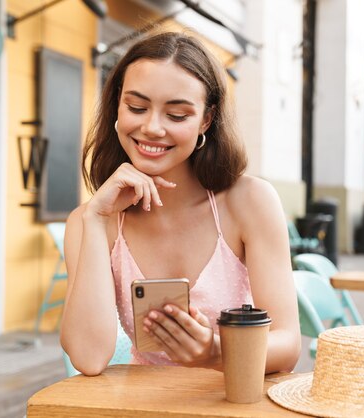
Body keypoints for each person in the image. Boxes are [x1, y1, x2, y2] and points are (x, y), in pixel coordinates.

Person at [60, 31, 301, 376]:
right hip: (146, 407)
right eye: (137, 107)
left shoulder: (249, 202)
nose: (152, 127)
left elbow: (288, 343)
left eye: (176, 115)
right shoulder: (90, 220)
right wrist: (97, 219)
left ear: (206, 119)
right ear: (117, 105)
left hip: (233, 403)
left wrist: (214, 351)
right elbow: (88, 357)